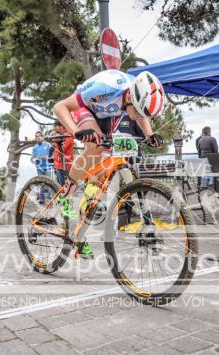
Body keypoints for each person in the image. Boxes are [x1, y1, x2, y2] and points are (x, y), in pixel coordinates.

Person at [53, 69, 165, 258]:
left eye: (141, 114)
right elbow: (60, 107)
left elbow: (142, 113)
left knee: (104, 165)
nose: (137, 118)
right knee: (95, 146)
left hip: (107, 114)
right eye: (137, 113)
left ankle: (78, 231)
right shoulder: (106, 88)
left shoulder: (135, 98)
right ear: (130, 96)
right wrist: (76, 132)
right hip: (85, 108)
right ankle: (66, 193)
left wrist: (150, 135)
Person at [31, 131, 53, 203]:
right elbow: (32, 159)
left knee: (49, 182)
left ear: (43, 137)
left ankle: (50, 198)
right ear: (35, 138)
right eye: (36, 136)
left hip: (48, 167)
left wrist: (45, 157)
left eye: (40, 136)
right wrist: (35, 159)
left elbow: (52, 156)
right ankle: (41, 199)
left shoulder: (48, 145)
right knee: (41, 183)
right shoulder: (35, 147)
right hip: (39, 168)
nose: (38, 137)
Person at [52, 121, 74, 186]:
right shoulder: (61, 136)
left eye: (55, 126)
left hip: (64, 165)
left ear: (61, 126)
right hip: (58, 164)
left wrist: (55, 141)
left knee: (63, 185)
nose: (54, 129)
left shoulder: (68, 137)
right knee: (59, 184)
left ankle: (65, 196)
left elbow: (61, 150)